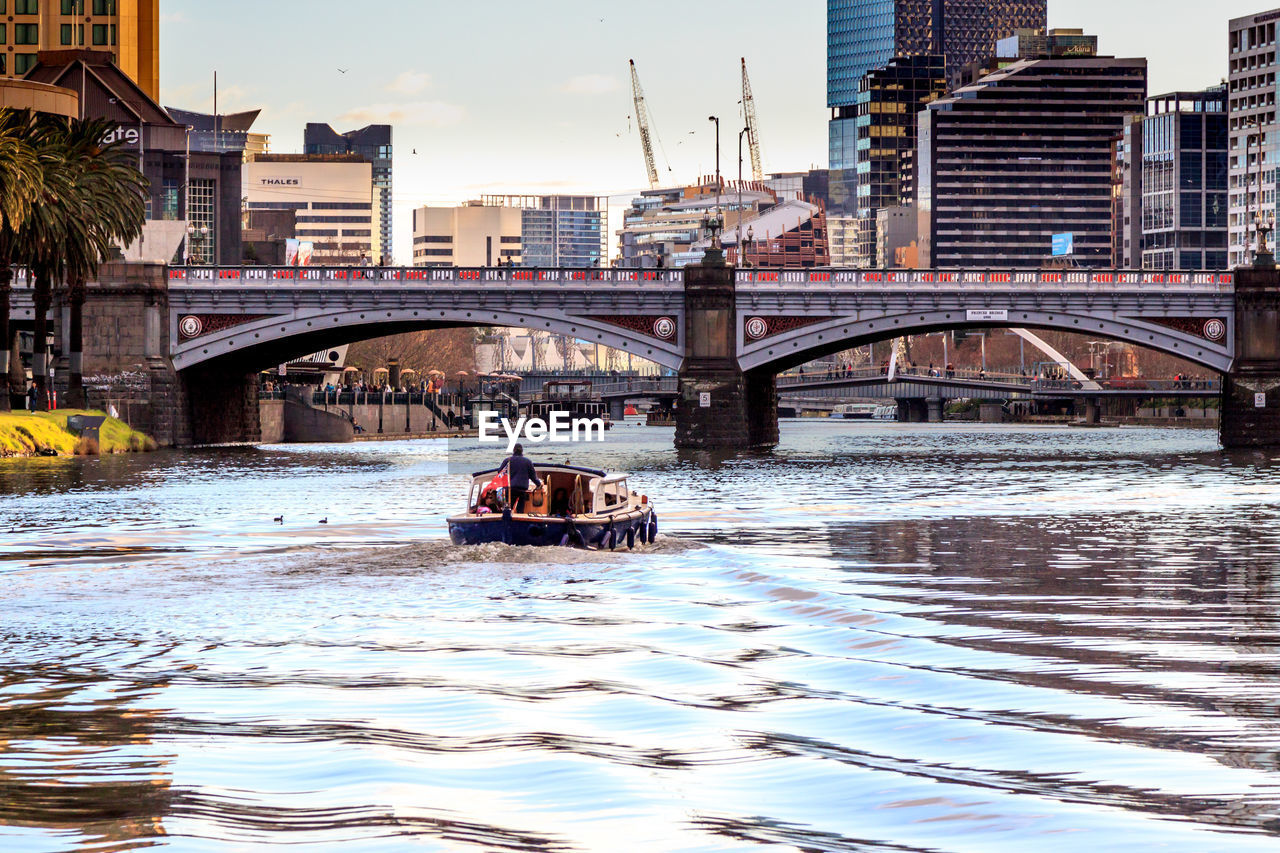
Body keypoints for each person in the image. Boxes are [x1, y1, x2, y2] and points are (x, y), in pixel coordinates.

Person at [498, 443, 542, 514]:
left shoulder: (507, 460)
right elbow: (533, 476)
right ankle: (519, 517)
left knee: (508, 508)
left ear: (513, 450)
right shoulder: (527, 462)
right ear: (522, 451)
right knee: (520, 509)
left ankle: (507, 518)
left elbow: (500, 473)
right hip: (522, 489)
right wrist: (538, 484)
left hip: (509, 489)